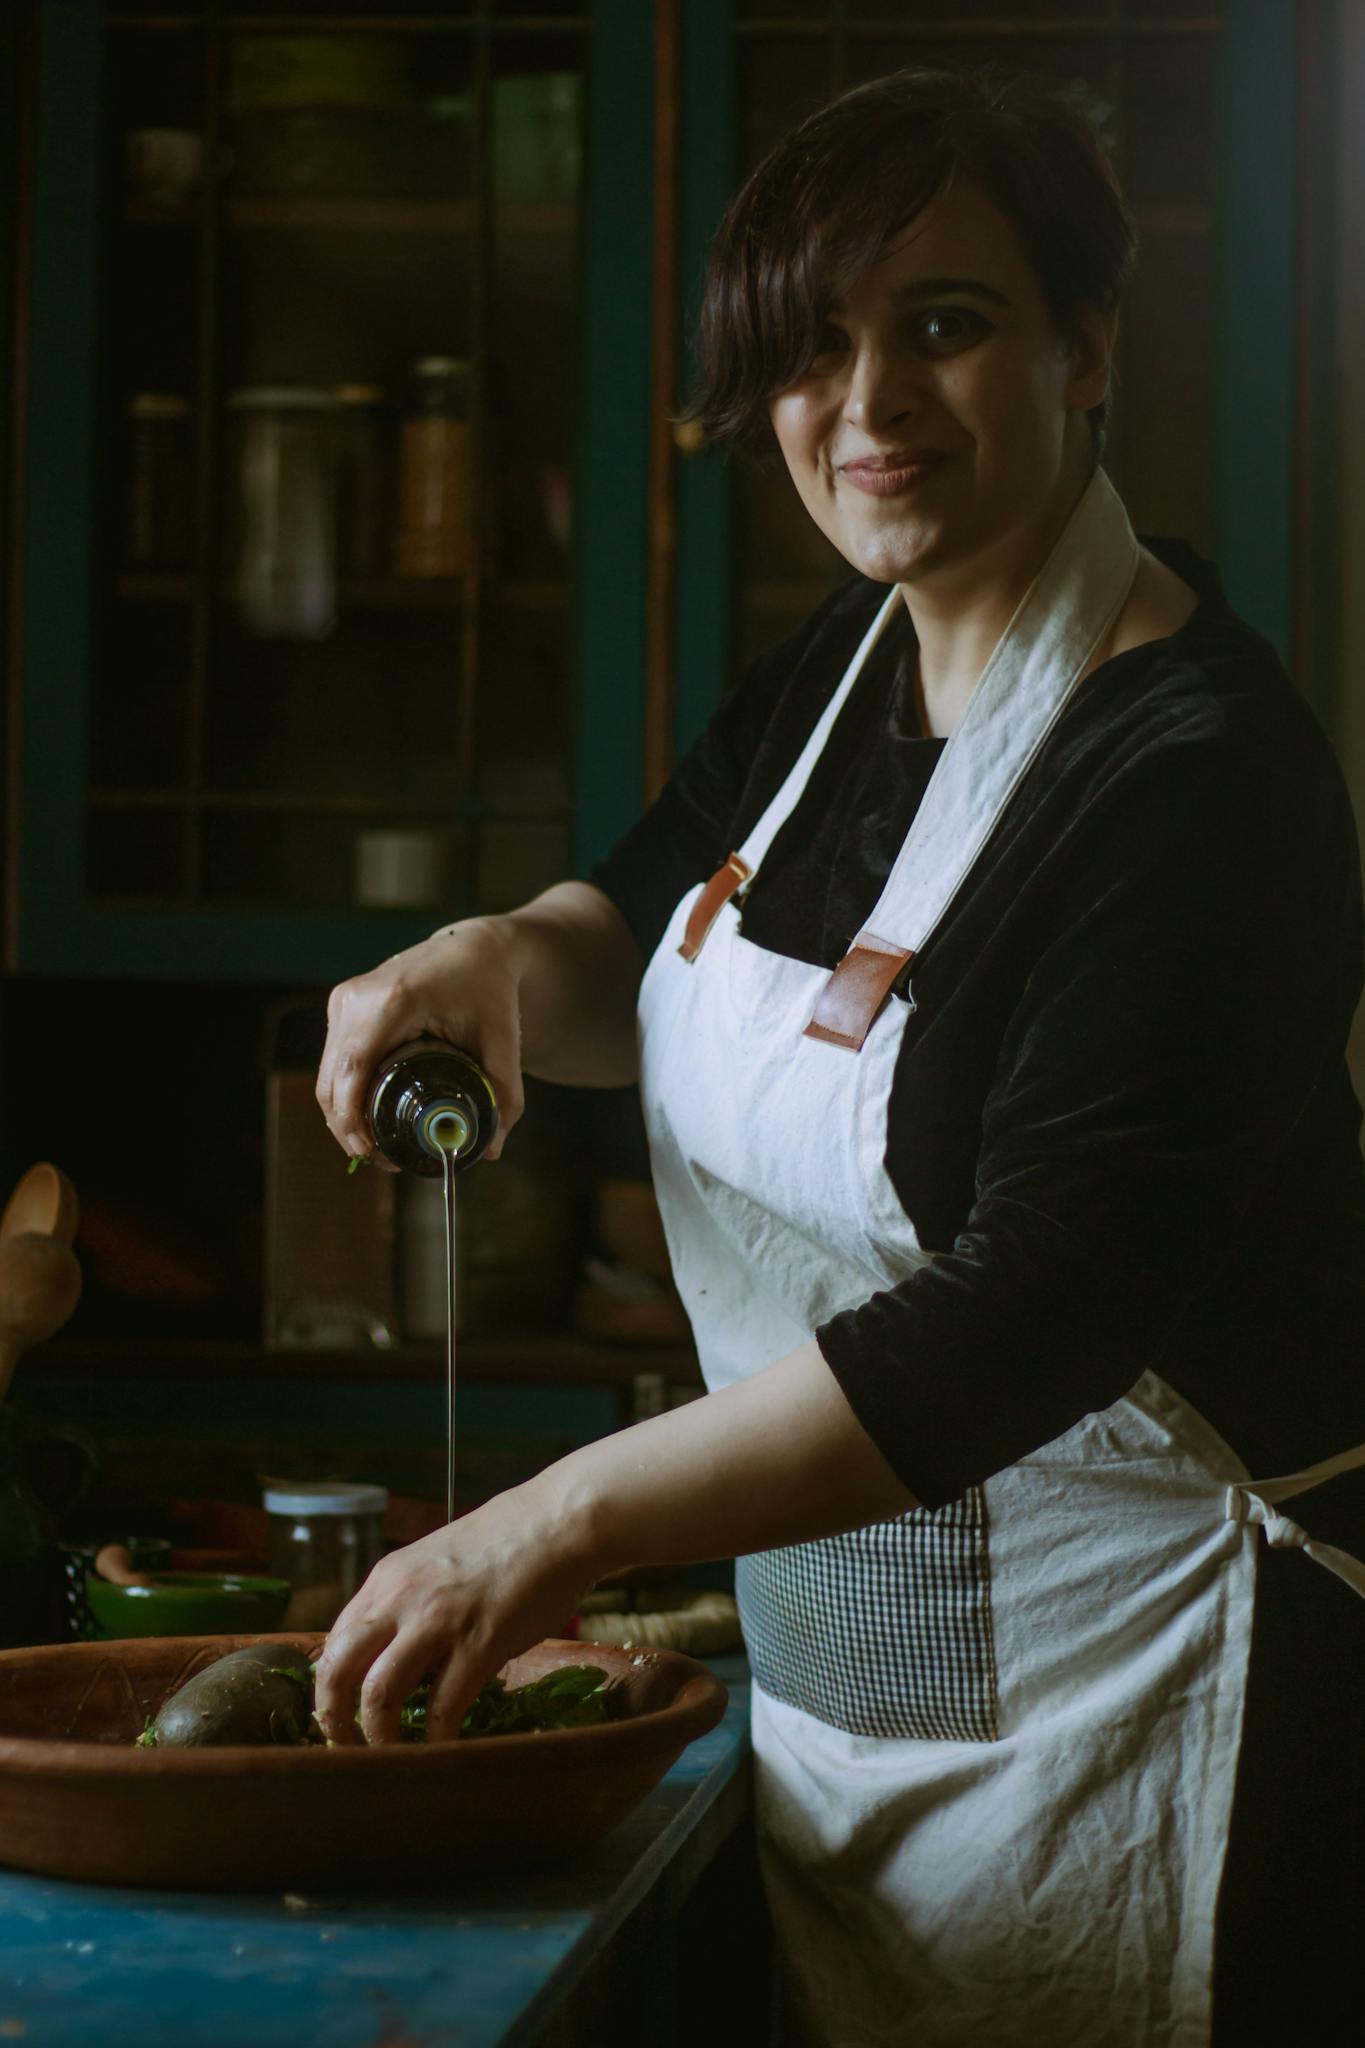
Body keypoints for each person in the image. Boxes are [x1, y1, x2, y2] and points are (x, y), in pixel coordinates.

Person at [313, 64, 1365, 2047]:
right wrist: (478, 954)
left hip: (1172, 1722)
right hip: (869, 1735)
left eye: (940, 329)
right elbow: (621, 938)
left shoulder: (1196, 784)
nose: (862, 410)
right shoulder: (850, 657)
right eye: (809, 348)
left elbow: (1012, 1327)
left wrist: (545, 1521)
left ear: (1084, 345)